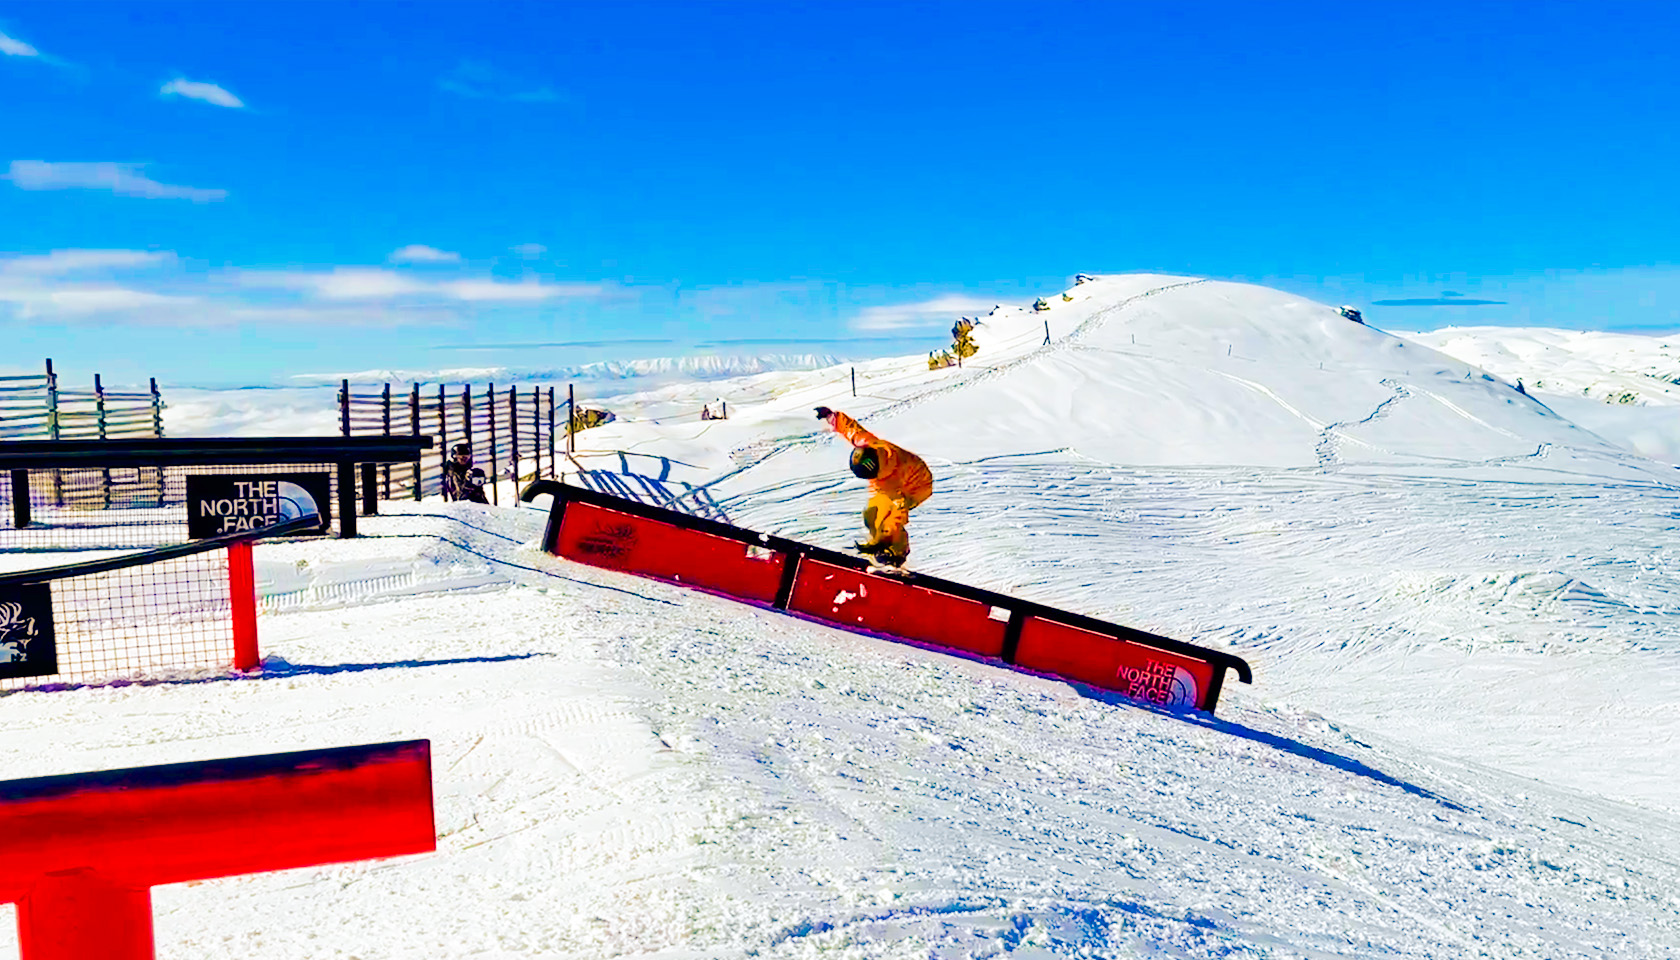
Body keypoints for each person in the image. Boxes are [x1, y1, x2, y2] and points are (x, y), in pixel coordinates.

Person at [814, 406, 933, 568]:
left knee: (886, 518)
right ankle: (882, 547)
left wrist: (883, 541)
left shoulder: (892, 482)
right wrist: (831, 416)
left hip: (916, 486)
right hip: (897, 477)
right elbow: (851, 429)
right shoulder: (867, 444)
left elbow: (899, 514)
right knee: (871, 514)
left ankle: (898, 555)